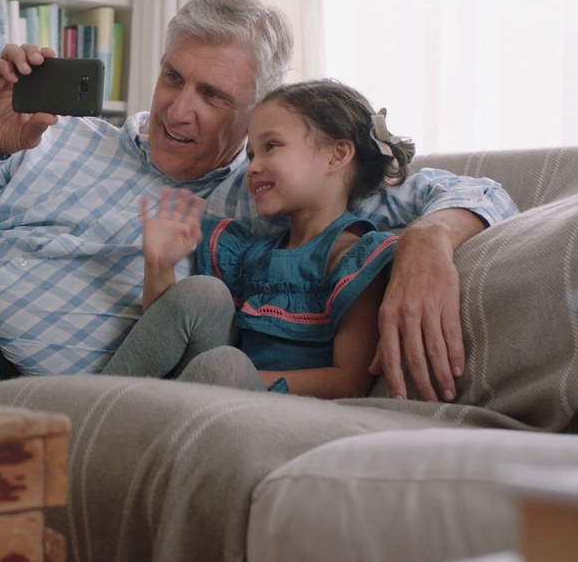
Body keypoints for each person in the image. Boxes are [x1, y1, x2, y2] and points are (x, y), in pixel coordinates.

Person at [0, 0, 518, 400]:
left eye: (211, 95)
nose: (177, 107)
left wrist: (430, 241)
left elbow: (465, 189)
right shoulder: (59, 132)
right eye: (173, 76)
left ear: (258, 112)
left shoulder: (258, 195)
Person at [102, 79, 414, 399]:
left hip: (279, 408)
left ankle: (146, 410)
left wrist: (233, 377)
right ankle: (102, 401)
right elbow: (166, 343)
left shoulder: (352, 258)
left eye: (271, 146)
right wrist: (160, 265)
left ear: (336, 156)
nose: (253, 168)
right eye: (251, 155)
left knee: (226, 364)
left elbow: (349, 382)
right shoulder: (252, 255)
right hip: (215, 392)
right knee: (205, 293)